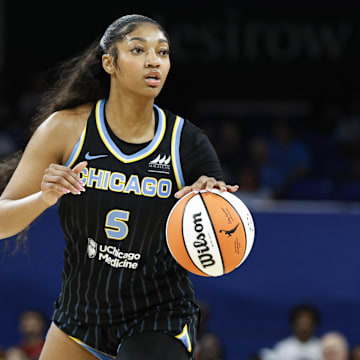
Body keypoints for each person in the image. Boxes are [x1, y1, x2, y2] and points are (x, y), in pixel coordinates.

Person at [0, 14, 238, 360]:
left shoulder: (187, 142)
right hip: (80, 315)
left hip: (158, 314)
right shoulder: (65, 129)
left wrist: (212, 198)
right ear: (109, 62)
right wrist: (44, 197)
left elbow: (220, 228)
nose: (154, 60)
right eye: (138, 50)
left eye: (163, 52)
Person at [258, 304, 323, 360]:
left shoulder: (322, 347)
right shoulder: (283, 348)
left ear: (314, 324)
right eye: (301, 323)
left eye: (308, 323)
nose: (304, 326)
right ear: (293, 324)